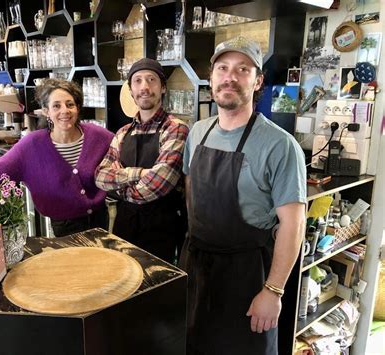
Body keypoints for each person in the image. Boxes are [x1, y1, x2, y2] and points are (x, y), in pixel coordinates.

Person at [181, 37, 307, 354]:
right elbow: (190, 188)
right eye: (222, 68)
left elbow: (293, 225)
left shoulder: (280, 145)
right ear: (211, 78)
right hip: (197, 269)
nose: (230, 77)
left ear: (258, 80)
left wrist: (273, 291)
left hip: (247, 276)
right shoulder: (198, 131)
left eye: (242, 69)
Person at [0, 79, 114, 237]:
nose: (65, 110)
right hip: (63, 227)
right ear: (46, 111)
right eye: (56, 106)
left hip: (100, 220)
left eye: (70, 104)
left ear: (78, 108)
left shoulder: (99, 136)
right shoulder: (31, 145)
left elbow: (125, 151)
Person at [95, 58, 189, 263]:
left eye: (151, 80)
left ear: (163, 87)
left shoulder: (175, 128)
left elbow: (158, 184)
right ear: (131, 90)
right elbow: (100, 177)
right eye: (137, 81)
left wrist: (119, 183)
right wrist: (141, 174)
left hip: (162, 228)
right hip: (124, 225)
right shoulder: (122, 133)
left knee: (158, 291)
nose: (144, 87)